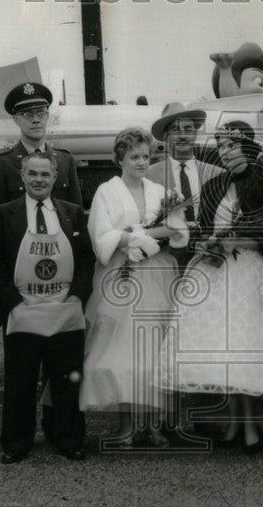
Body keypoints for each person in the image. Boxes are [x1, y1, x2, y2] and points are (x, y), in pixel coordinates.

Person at [155, 122, 263, 452]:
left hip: (247, 273)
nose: (226, 152)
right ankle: (231, 423)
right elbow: (203, 229)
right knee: (222, 348)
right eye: (222, 146)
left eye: (233, 146)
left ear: (248, 149)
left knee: (244, 348)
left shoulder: (261, 187)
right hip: (215, 274)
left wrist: (234, 241)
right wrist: (207, 246)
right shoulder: (215, 185)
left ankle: (251, 427)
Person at [0, 152, 94, 463]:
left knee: (66, 379)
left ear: (56, 177)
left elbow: (87, 259)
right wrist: (14, 305)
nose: (39, 180)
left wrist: (76, 296)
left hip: (65, 309)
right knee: (19, 380)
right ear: (22, 176)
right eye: (32, 174)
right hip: (23, 309)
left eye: (45, 175)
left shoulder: (72, 212)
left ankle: (68, 439)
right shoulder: (3, 215)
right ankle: (16, 444)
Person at [80, 127, 188, 447]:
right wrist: (129, 238)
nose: (141, 162)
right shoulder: (106, 191)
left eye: (145, 156)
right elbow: (100, 234)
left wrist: (149, 236)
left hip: (157, 275)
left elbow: (177, 229)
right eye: (134, 157)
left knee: (153, 351)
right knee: (124, 352)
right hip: (122, 275)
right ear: (120, 159)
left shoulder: (159, 190)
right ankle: (127, 425)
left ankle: (153, 424)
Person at [146, 102, 224, 265]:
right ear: (166, 136)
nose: (183, 136)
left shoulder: (217, 174)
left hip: (207, 257)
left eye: (188, 129)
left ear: (195, 133)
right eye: (175, 130)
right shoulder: (149, 175)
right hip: (166, 257)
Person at [0, 82, 84, 207]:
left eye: (41, 113)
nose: (36, 120)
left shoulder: (65, 159)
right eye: (28, 114)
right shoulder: (1, 163)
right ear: (16, 120)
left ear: (47, 116)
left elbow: (75, 212)